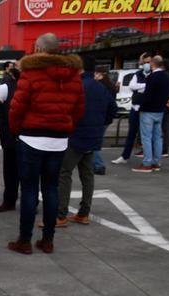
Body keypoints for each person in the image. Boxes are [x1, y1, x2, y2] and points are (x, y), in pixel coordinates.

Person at [7, 33, 84, 255]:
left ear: (39, 49)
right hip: (58, 140)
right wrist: (65, 126)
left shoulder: (31, 74)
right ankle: (48, 240)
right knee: (51, 189)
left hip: (31, 137)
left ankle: (25, 240)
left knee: (30, 190)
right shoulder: (74, 75)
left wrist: (16, 130)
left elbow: (17, 107)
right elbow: (78, 109)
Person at [57, 56, 117, 227]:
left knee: (64, 173)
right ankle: (84, 213)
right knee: (87, 175)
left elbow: (65, 111)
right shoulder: (101, 87)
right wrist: (100, 124)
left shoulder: (75, 87)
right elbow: (112, 109)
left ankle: (60, 215)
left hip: (75, 136)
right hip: (93, 136)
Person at [111, 52, 151, 165]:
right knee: (131, 133)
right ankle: (124, 156)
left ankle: (149, 159)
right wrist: (144, 86)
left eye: (149, 62)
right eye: (145, 62)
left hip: (147, 109)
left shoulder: (154, 75)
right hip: (135, 107)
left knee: (147, 135)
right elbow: (132, 86)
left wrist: (141, 87)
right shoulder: (137, 74)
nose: (147, 64)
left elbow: (150, 88)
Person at [133, 55, 169, 173]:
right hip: (160, 110)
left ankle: (147, 163)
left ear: (153, 64)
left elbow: (147, 95)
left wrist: (140, 107)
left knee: (146, 137)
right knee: (157, 137)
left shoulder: (151, 77)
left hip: (148, 110)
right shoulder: (166, 77)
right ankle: (156, 162)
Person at [0, 67, 21, 211]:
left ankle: (10, 201)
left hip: (13, 134)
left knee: (11, 170)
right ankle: (11, 200)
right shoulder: (8, 87)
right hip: (15, 134)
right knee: (21, 171)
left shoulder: (10, 87)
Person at [93, 67, 117, 175]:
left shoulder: (99, 86)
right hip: (106, 118)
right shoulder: (111, 86)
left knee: (93, 143)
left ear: (99, 74)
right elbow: (113, 105)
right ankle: (95, 163)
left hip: (99, 118)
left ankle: (99, 165)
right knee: (96, 142)